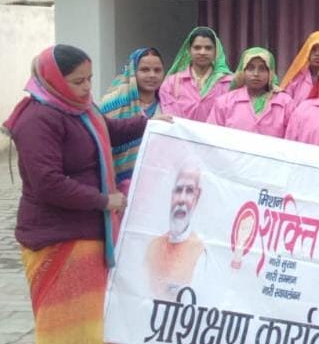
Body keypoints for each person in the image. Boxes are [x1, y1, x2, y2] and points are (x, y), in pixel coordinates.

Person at [5, 45, 160, 344]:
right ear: (53, 80)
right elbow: (48, 183)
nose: (87, 87)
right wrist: (103, 200)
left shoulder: (83, 109)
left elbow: (109, 131)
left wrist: (148, 123)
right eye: (78, 81)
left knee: (92, 326)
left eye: (89, 79)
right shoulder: (38, 119)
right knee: (68, 330)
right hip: (56, 237)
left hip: (88, 233)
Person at [100, 47, 165, 193]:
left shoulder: (169, 104)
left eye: (157, 70)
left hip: (158, 186)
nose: (152, 75)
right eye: (145, 70)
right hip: (119, 189)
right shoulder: (112, 104)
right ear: (133, 72)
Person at [145, 165, 206, 301]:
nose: (181, 199)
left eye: (189, 191)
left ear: (197, 198)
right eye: (178, 190)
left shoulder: (199, 253)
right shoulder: (153, 247)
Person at [207, 47, 294, 138]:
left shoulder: (285, 103)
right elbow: (211, 137)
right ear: (242, 72)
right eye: (250, 68)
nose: (256, 74)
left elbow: (293, 138)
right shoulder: (224, 103)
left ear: (271, 73)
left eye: (262, 69)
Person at [159, 27, 233, 121]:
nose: (202, 52)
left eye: (208, 48)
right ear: (189, 50)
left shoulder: (228, 83)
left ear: (216, 51)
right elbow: (170, 118)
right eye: (197, 48)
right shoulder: (171, 83)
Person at [280, 31, 319, 105]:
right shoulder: (296, 78)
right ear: (307, 53)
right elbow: (285, 103)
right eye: (313, 50)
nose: (317, 54)